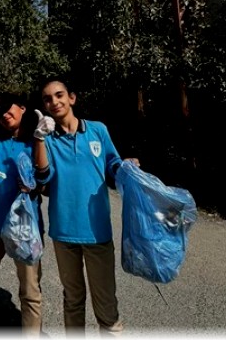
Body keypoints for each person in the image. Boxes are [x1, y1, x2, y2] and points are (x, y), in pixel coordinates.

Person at [37, 78, 137, 336]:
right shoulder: (46, 140)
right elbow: (43, 178)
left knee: (106, 306)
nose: (54, 101)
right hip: (63, 231)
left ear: (72, 98)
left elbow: (112, 163)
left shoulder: (97, 131)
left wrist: (124, 166)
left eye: (59, 95)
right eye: (48, 98)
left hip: (97, 231)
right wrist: (38, 139)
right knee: (72, 299)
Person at [0, 93, 51, 339]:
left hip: (26, 228)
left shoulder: (37, 142)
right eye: (0, 111)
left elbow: (45, 182)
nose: (4, 114)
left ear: (23, 108)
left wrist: (34, 183)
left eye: (9, 108)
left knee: (30, 290)